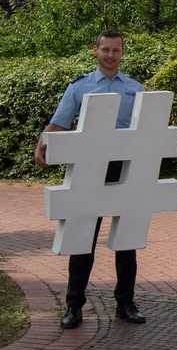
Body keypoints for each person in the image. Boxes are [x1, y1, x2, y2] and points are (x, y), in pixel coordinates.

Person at [35, 30, 147, 329]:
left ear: (123, 53)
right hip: (88, 169)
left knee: (127, 240)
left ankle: (126, 302)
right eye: (106, 50)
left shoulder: (137, 89)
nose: (111, 55)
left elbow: (146, 131)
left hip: (125, 168)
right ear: (95, 51)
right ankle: (74, 305)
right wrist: (43, 142)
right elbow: (59, 122)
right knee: (82, 236)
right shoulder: (79, 87)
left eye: (116, 50)